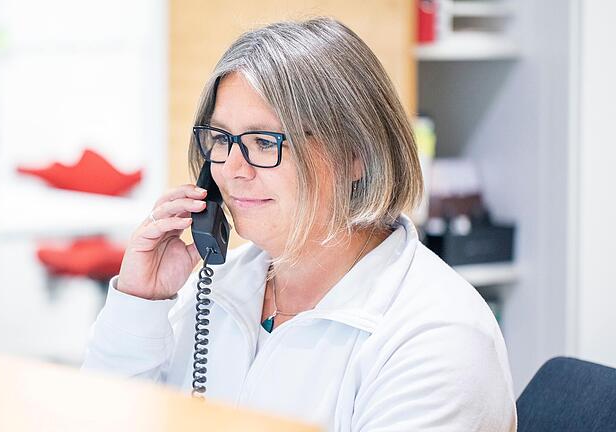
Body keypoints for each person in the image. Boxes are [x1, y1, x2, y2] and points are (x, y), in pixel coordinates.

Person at [82, 17, 516, 431]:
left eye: (265, 142)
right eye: (220, 139)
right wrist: (141, 303)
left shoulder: (437, 339)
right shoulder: (219, 288)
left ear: (355, 155)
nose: (232, 168)